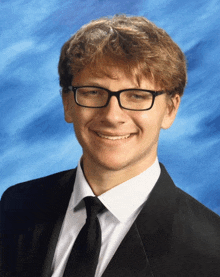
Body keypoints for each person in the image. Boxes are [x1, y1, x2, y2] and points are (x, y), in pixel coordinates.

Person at [1, 14, 220, 277]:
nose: (112, 116)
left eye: (137, 96)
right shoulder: (17, 206)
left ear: (170, 109)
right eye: (93, 92)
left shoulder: (211, 250)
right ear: (68, 103)